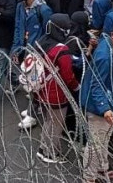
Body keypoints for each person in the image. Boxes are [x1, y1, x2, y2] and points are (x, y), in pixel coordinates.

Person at [80, 20, 113, 183]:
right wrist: (104, 109)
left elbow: (108, 79)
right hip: (97, 107)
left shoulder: (110, 46)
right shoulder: (105, 56)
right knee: (96, 143)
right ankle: (89, 178)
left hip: (106, 101)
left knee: (103, 139)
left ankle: (101, 169)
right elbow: (97, 85)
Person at [34, 13, 80, 164]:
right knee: (57, 124)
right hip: (57, 93)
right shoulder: (61, 50)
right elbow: (68, 75)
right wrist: (77, 87)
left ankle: (43, 148)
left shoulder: (41, 42)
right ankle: (51, 153)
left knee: (48, 120)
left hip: (41, 89)